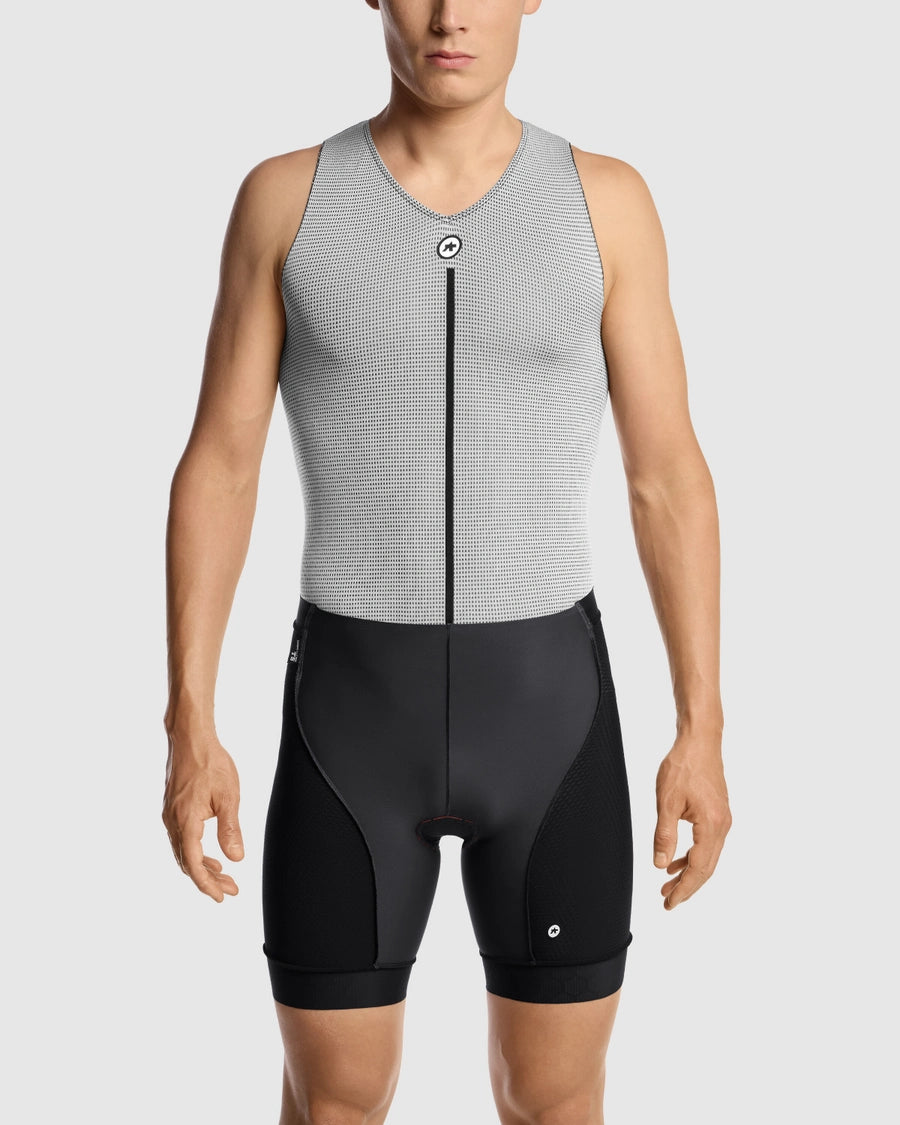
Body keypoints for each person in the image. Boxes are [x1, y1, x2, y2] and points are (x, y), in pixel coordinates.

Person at [162, 1, 732, 1121]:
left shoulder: (605, 202)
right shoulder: (288, 199)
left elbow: (668, 477)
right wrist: (190, 723)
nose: (449, 15)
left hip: (550, 724)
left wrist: (702, 730)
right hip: (349, 728)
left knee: (552, 1100)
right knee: (336, 1101)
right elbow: (220, 468)